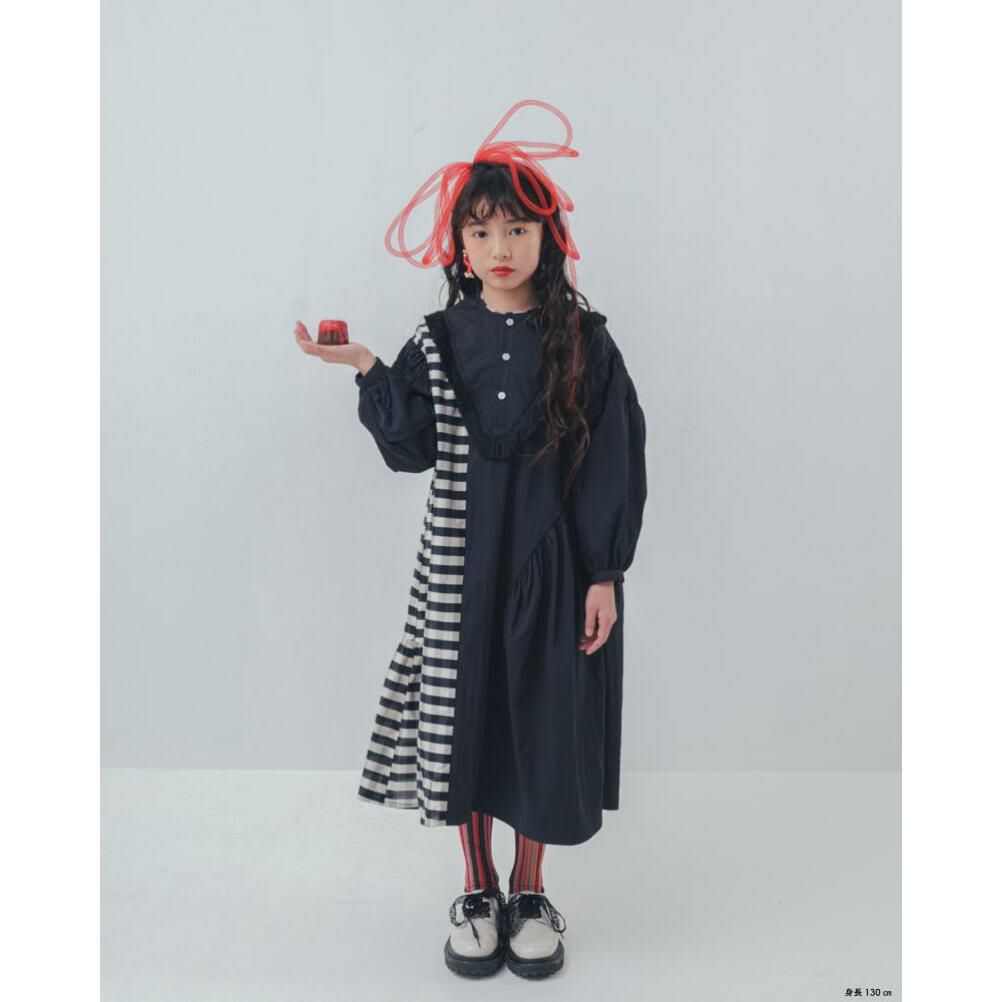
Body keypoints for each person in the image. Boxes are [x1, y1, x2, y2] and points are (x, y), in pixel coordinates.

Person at [293, 99, 647, 980]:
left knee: (542, 725)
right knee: (466, 726)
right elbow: (412, 448)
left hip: (552, 569)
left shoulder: (583, 342)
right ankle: (477, 889)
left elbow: (612, 458)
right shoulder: (440, 341)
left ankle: (531, 891)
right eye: (481, 230)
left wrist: (603, 572)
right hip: (460, 572)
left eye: (517, 228)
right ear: (457, 244)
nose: (500, 246)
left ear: (547, 238)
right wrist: (368, 368)